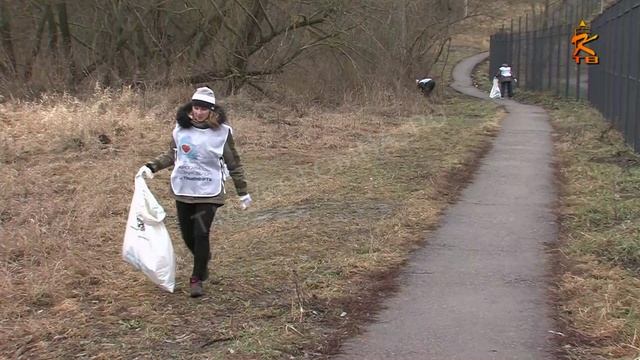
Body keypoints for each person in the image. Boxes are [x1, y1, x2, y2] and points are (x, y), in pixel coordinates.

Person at [139, 86, 252, 298]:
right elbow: (172, 155)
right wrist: (151, 166)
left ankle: (196, 278)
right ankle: (203, 259)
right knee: (187, 235)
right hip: (183, 189)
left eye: (204, 109)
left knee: (201, 233)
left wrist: (242, 191)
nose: (199, 112)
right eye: (196, 108)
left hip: (209, 191)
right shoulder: (180, 130)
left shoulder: (222, 133)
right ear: (191, 108)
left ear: (211, 111)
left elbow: (233, 163)